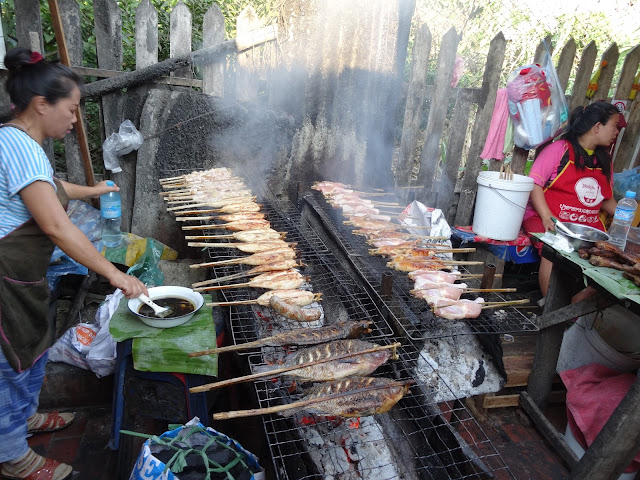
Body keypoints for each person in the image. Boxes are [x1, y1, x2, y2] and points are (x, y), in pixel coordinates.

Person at [0, 48, 148, 480]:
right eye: (71, 108)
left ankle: (23, 419)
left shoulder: (21, 141)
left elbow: (50, 187)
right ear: (41, 104)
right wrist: (115, 275)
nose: (74, 119)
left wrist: (92, 190)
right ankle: (12, 456)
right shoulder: (18, 146)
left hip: (22, 276)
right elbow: (57, 226)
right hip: (6, 280)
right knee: (10, 365)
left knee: (33, 350)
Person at [522, 101, 620, 297]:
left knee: (614, 258)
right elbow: (535, 184)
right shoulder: (560, 149)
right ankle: (552, 310)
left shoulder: (604, 160)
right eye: (614, 126)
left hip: (585, 227)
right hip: (550, 219)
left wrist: (628, 219)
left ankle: (576, 306)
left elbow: (605, 199)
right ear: (597, 127)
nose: (616, 131)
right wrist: (546, 215)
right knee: (553, 251)